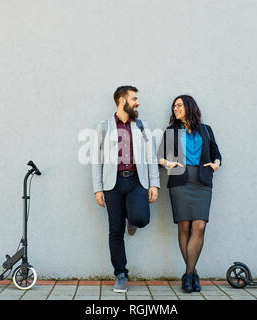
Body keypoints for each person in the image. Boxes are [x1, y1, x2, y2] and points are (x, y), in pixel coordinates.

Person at [92, 85, 160, 293]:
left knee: (141, 219)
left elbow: (150, 157)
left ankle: (133, 218)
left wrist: (154, 184)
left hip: (137, 182)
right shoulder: (103, 127)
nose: (137, 102)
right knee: (115, 231)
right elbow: (96, 160)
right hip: (112, 185)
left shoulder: (142, 126)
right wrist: (98, 188)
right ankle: (121, 274)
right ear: (122, 100)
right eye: (134, 98)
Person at [157, 95, 222, 293]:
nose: (175, 109)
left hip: (202, 181)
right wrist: (170, 164)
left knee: (199, 227)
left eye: (179, 105)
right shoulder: (171, 131)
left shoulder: (206, 130)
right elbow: (159, 156)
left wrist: (216, 164)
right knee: (184, 226)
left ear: (189, 107)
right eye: (173, 106)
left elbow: (216, 152)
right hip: (180, 180)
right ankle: (192, 275)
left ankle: (188, 273)